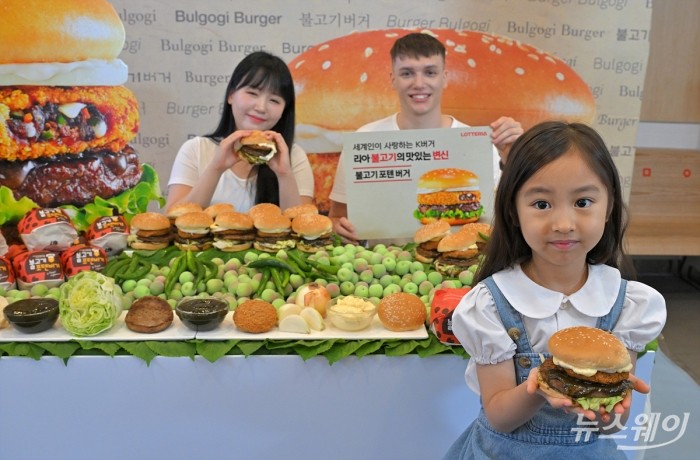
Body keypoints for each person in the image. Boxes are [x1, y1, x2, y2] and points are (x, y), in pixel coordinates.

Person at [442, 121, 666, 459]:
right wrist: (540, 387)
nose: (563, 223)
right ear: (513, 211)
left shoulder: (627, 303)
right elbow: (499, 416)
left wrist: (609, 408)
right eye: (542, 204)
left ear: (609, 208)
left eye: (583, 201)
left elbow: (612, 426)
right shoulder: (491, 304)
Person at [328, 32, 523, 241]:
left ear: (444, 78)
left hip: (464, 266)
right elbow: (336, 216)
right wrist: (339, 230)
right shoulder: (364, 139)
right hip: (381, 266)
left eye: (430, 72)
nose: (419, 83)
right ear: (393, 80)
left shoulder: (479, 145)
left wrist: (514, 156)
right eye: (407, 73)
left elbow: (510, 218)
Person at [166, 51, 314, 213]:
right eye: (252, 93)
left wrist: (284, 173)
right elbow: (172, 219)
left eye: (274, 100)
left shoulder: (293, 156)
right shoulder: (196, 149)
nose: (261, 107)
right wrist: (216, 168)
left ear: (284, 110)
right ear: (231, 95)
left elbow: (301, 227)